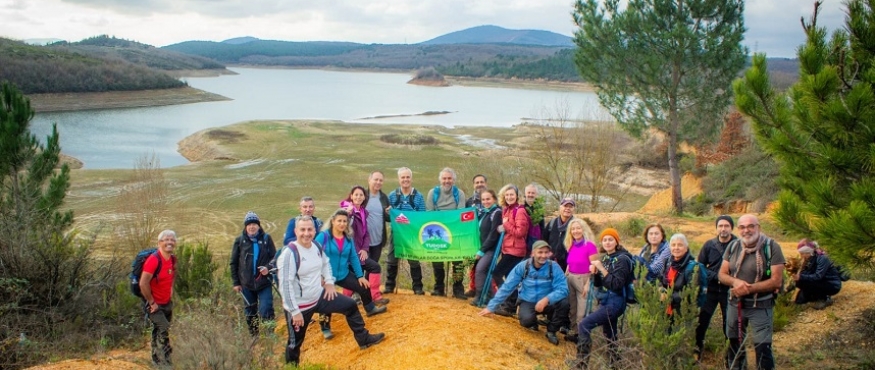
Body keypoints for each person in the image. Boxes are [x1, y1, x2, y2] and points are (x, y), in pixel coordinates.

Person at [278, 215, 385, 366]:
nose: (306, 233)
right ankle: (291, 366)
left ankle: (364, 339)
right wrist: (294, 311)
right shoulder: (289, 253)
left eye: (309, 229)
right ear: (296, 231)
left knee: (350, 306)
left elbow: (325, 264)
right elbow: (285, 285)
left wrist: (328, 282)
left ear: (314, 230)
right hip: (300, 306)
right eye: (302, 230)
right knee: (295, 342)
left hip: (319, 296)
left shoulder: (315, 246)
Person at [718, 214, 784, 370]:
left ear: (758, 227)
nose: (746, 230)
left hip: (761, 306)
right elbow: (722, 274)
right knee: (734, 345)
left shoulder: (771, 247)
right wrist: (735, 282)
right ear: (738, 229)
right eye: (742, 227)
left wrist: (747, 288)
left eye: (750, 226)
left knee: (762, 348)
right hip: (735, 305)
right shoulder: (733, 246)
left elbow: (776, 281)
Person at [314, 209, 388, 339]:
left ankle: (370, 308)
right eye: (339, 221)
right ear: (333, 221)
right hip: (326, 276)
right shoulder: (323, 236)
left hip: (343, 273)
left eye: (344, 221)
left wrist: (360, 276)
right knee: (326, 300)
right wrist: (319, 275)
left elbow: (353, 257)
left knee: (363, 286)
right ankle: (325, 328)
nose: (342, 224)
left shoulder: (348, 238)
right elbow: (314, 255)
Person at [479, 240, 569, 346]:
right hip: (528, 300)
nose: (543, 255)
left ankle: (552, 330)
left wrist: (547, 299)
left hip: (549, 301)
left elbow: (563, 289)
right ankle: (533, 321)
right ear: (533, 253)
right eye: (540, 252)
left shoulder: (553, 267)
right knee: (526, 321)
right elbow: (507, 286)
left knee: (565, 302)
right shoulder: (523, 266)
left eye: (546, 252)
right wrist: (491, 306)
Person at [572, 228, 634, 369]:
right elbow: (601, 283)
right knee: (610, 334)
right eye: (605, 239)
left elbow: (616, 284)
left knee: (584, 325)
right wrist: (595, 274)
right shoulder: (606, 257)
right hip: (606, 300)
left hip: (615, 302)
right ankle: (616, 364)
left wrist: (601, 268)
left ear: (616, 241)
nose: (607, 242)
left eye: (610, 239)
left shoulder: (623, 259)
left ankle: (580, 365)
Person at [695, 215, 737, 358]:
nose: (723, 229)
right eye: (720, 226)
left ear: (731, 227)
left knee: (730, 323)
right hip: (711, 290)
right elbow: (700, 266)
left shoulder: (739, 245)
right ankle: (697, 349)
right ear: (716, 228)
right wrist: (715, 276)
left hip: (730, 290)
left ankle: (730, 355)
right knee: (702, 321)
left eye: (726, 226)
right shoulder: (709, 245)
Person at [230, 212, 277, 336]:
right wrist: (236, 283)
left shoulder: (267, 239)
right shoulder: (239, 241)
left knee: (266, 308)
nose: (252, 227)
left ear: (258, 226)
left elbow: (275, 258)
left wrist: (268, 268)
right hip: (246, 284)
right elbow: (233, 263)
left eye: (254, 224)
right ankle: (254, 336)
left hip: (264, 282)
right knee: (250, 311)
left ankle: (269, 335)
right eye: (249, 224)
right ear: (246, 226)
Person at [340, 185, 387, 306]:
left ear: (364, 197)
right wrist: (348, 214)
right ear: (351, 196)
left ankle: (365, 297)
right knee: (370, 269)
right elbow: (346, 233)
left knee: (356, 274)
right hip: (350, 253)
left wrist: (365, 249)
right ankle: (372, 297)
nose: (358, 197)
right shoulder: (346, 212)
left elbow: (366, 234)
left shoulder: (363, 212)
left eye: (361, 195)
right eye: (356, 194)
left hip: (359, 252)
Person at [425, 167, 467, 299]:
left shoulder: (459, 193)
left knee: (458, 261)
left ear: (453, 180)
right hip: (438, 231)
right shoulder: (433, 193)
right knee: (437, 260)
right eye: (444, 178)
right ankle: (439, 288)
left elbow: (460, 213)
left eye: (449, 178)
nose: (447, 181)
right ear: (440, 180)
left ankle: (458, 289)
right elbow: (430, 213)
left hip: (455, 232)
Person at [383, 167, 426, 295]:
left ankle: (417, 287)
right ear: (399, 179)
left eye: (407, 177)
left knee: (413, 259)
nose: (405, 180)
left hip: (412, 234)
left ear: (411, 179)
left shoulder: (418, 196)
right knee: (392, 259)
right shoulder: (392, 195)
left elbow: (422, 217)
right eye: (403, 177)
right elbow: (388, 218)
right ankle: (389, 286)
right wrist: (388, 213)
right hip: (396, 233)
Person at [139, 230, 178, 367]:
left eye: (172, 240)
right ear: (159, 243)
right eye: (166, 239)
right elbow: (143, 283)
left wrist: (171, 288)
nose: (170, 242)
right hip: (154, 304)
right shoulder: (154, 260)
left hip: (167, 302)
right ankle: (166, 361)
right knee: (164, 329)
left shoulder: (172, 259)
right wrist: (152, 302)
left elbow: (172, 274)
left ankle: (155, 358)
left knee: (158, 329)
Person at [491, 184, 530, 316]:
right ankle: (510, 306)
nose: (509, 197)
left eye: (512, 194)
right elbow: (506, 227)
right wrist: (502, 227)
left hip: (516, 250)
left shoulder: (520, 211)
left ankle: (508, 302)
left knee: (497, 273)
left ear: (517, 196)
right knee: (509, 277)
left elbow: (520, 232)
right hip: (507, 248)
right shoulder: (506, 209)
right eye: (507, 195)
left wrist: (506, 224)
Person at [563, 218, 598, 342]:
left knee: (582, 311)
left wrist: (588, 283)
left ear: (583, 229)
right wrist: (565, 275)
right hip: (570, 277)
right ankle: (575, 333)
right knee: (572, 308)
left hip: (584, 279)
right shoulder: (571, 244)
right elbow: (570, 262)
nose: (576, 231)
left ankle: (583, 337)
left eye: (578, 228)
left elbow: (594, 266)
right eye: (573, 229)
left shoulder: (590, 246)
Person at [658, 233, 705, 317]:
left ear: (686, 248)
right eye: (673, 245)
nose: (676, 248)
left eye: (680, 245)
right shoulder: (667, 262)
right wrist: (661, 290)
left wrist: (669, 297)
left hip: (684, 312)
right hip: (666, 309)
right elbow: (660, 280)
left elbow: (692, 293)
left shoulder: (694, 268)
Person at [470, 189, 502, 304]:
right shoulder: (484, 212)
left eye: (488, 199)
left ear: (494, 199)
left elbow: (493, 235)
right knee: (482, 271)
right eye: (483, 199)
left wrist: (481, 251)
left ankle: (480, 297)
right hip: (482, 247)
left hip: (490, 249)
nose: (485, 201)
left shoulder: (496, 212)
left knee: (480, 270)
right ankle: (489, 297)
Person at [793, 239, 842, 309]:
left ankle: (824, 299)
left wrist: (800, 276)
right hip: (821, 282)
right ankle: (807, 299)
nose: (801, 255)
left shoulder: (822, 258)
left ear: (807, 252)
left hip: (831, 283)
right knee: (800, 282)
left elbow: (818, 276)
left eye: (802, 253)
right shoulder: (810, 259)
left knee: (804, 280)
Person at [464, 174, 489, 296]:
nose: (479, 184)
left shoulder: (490, 200)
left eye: (482, 182)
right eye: (477, 182)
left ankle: (485, 291)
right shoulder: (469, 202)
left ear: (486, 183)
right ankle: (473, 287)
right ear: (473, 185)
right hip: (472, 238)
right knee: (472, 264)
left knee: (484, 267)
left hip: (487, 238)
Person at [545, 197, 577, 272]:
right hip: (550, 262)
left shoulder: (576, 226)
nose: (568, 208)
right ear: (560, 207)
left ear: (573, 209)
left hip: (568, 266)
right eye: (565, 206)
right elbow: (543, 241)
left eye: (570, 207)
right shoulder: (552, 223)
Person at [365, 171, 391, 264]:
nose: (378, 182)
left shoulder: (384, 198)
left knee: (373, 270)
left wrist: (390, 213)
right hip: (362, 242)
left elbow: (388, 218)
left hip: (378, 242)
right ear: (369, 180)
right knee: (359, 269)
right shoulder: (361, 195)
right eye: (376, 179)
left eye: (381, 180)